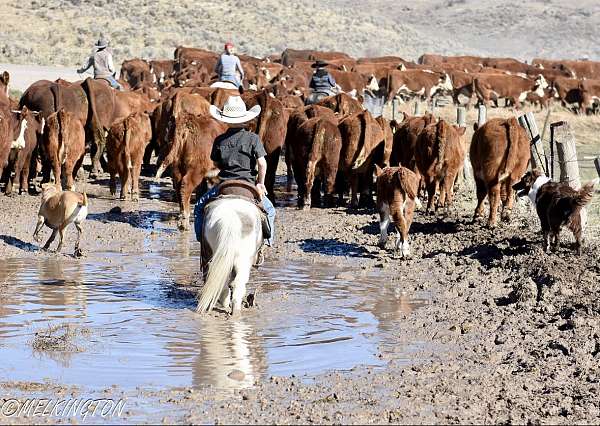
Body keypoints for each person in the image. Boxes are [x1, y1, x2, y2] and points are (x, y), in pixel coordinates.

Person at [194, 95, 275, 249]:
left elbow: (216, 162)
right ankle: (267, 243)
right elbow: (262, 163)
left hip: (225, 185)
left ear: (226, 119)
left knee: (198, 207)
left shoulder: (220, 140)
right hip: (248, 185)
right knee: (270, 210)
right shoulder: (253, 138)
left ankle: (202, 241)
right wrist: (260, 183)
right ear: (244, 117)